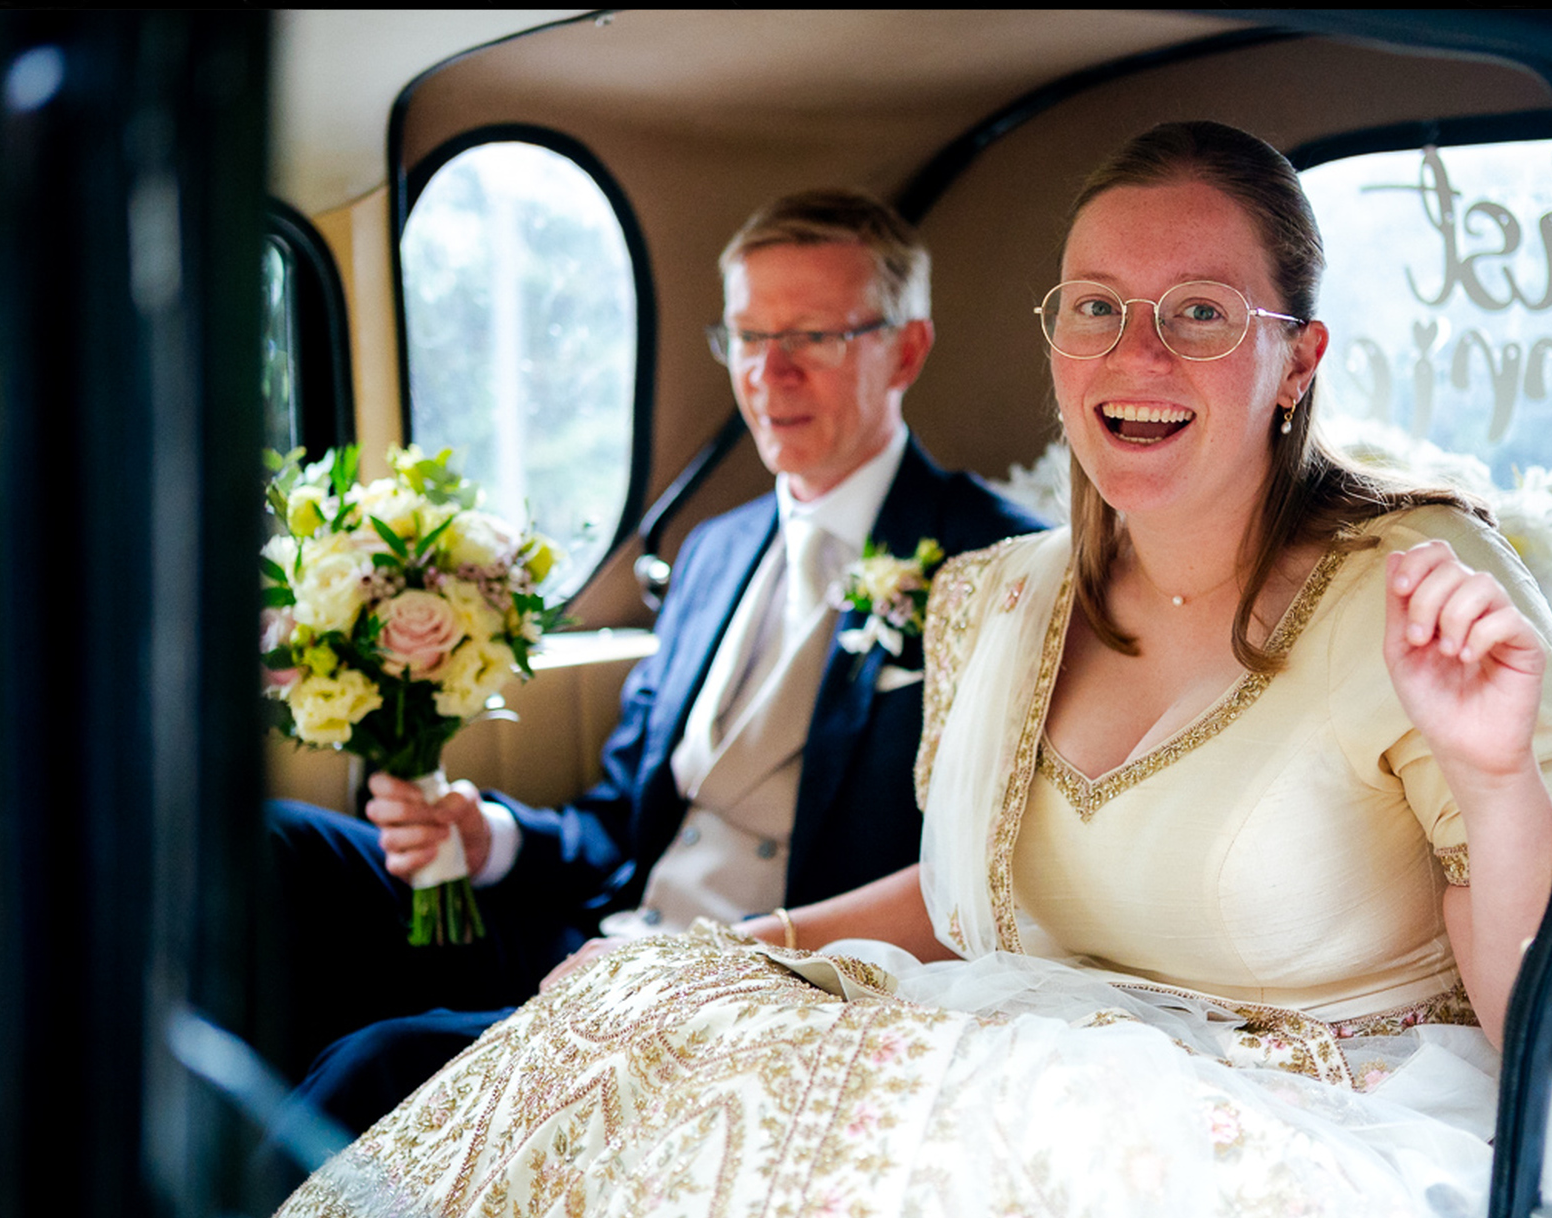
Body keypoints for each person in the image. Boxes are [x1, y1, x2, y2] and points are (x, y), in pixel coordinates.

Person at [250, 122, 1552, 1218]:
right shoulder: (1008, 598)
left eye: (1201, 312)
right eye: (1098, 307)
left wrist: (1497, 775)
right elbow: (955, 900)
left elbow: (1550, 1031)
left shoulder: (1421, 593)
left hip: (1295, 1121)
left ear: (1297, 357)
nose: (1136, 353)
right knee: (619, 1039)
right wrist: (725, 952)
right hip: (1005, 1045)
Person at [263, 189, 1046, 1127]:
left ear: (906, 349)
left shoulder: (997, 561)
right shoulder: (717, 547)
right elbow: (619, 820)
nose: (770, 374)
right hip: (601, 928)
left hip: (768, 986)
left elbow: (979, 872)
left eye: (814, 337)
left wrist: (700, 965)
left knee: (378, 1062)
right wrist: (489, 838)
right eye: (749, 339)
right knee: (279, 851)